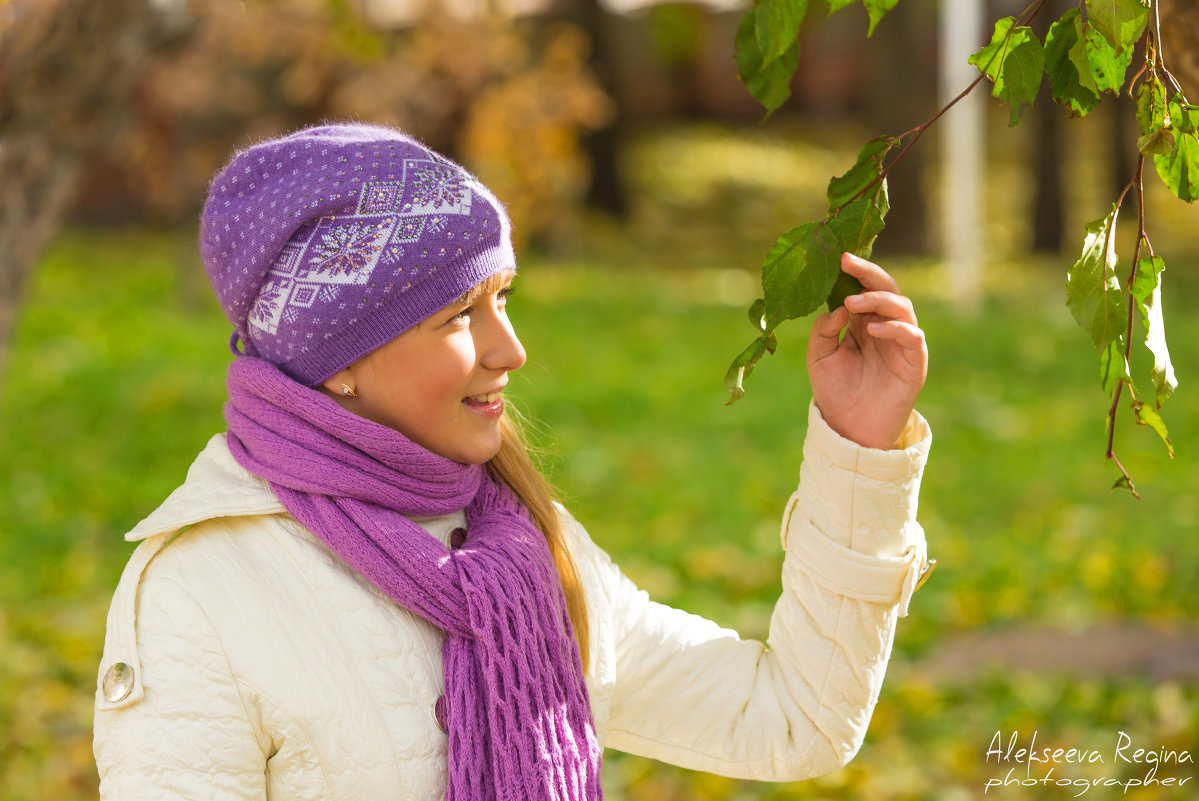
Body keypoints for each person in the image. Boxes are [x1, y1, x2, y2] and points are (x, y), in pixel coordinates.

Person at [93, 123, 933, 800]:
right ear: (336, 356)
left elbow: (792, 719)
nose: (512, 349)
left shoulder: (523, 545)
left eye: (504, 298)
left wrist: (857, 448)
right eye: (459, 314)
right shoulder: (202, 594)